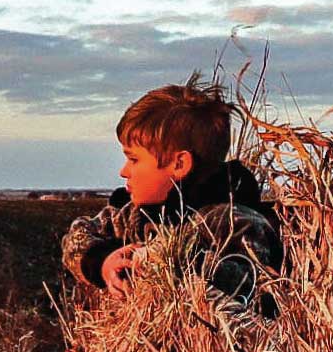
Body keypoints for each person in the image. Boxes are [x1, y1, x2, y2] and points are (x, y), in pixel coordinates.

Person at [61, 77, 282, 305]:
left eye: (134, 159)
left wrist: (165, 256)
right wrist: (104, 262)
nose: (124, 171)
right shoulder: (132, 215)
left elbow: (254, 286)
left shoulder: (233, 221)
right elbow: (76, 237)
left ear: (179, 165)